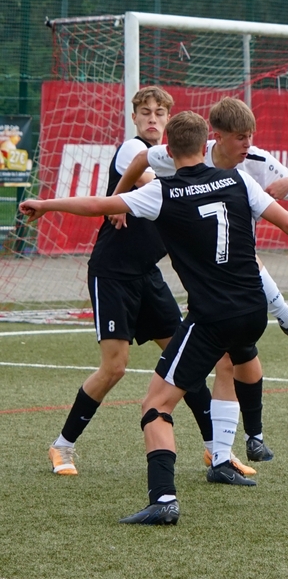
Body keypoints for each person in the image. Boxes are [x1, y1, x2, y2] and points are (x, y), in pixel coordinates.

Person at [20, 111, 288, 525]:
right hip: (254, 311)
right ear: (205, 145)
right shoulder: (239, 180)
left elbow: (97, 205)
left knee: (155, 406)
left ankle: (164, 499)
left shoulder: (162, 192)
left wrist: (46, 204)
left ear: (169, 152)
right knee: (232, 363)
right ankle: (230, 448)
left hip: (211, 318)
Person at [116, 97, 288, 466]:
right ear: (216, 138)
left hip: (238, 278)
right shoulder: (189, 153)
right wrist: (119, 199)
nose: (248, 144)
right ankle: (231, 449)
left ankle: (240, 444)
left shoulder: (257, 162)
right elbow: (140, 160)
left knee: (235, 360)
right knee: (230, 360)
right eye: (240, 137)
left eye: (251, 136)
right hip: (212, 277)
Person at [45, 86, 220, 477]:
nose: (152, 118)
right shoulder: (134, 149)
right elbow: (151, 183)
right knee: (114, 368)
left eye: (160, 112)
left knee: (185, 361)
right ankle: (62, 446)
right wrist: (123, 194)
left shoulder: (179, 163)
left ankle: (217, 452)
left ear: (170, 119)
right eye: (145, 112)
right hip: (112, 273)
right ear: (135, 118)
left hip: (147, 274)